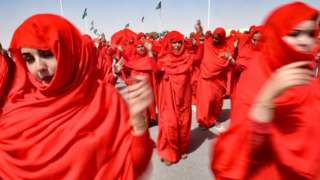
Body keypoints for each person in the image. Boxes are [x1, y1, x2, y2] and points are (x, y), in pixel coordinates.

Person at [0, 14, 154, 179]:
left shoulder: (105, 100)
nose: (39, 67)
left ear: (68, 50)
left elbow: (134, 164)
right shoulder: (15, 112)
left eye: (46, 54)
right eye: (29, 59)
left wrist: (138, 126)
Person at [212, 2, 320, 179]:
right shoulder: (256, 76)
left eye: (310, 33)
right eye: (294, 34)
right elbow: (237, 153)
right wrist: (267, 99)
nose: (304, 41)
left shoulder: (309, 78)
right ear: (276, 35)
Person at [156, 31, 202, 165]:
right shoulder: (163, 59)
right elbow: (154, 71)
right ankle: (169, 152)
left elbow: (199, 57)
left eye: (179, 42)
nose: (176, 45)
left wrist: (198, 39)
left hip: (184, 98)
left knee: (183, 123)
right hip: (168, 97)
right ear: (168, 44)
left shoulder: (188, 57)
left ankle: (181, 149)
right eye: (173, 42)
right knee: (170, 123)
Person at [196, 27, 235, 129]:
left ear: (222, 39)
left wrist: (228, 58)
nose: (214, 39)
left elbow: (230, 62)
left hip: (219, 80)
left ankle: (212, 117)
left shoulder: (227, 48)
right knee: (206, 100)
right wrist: (200, 30)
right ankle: (204, 121)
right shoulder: (208, 43)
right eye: (213, 37)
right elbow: (201, 36)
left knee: (216, 100)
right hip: (205, 78)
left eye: (217, 38)